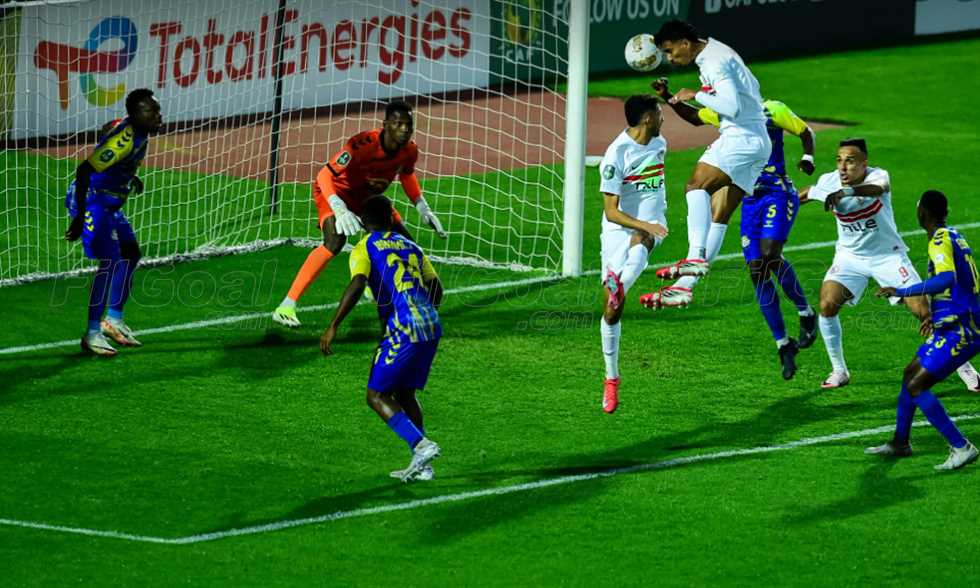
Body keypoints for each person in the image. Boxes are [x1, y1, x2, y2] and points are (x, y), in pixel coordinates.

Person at [641, 81, 817, 379]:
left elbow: (805, 131)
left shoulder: (771, 109)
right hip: (750, 198)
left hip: (777, 192)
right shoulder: (726, 112)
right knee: (757, 270)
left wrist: (807, 157)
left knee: (770, 255)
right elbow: (695, 117)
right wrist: (669, 97)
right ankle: (783, 343)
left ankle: (806, 313)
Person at [800, 138, 979, 391]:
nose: (843, 167)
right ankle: (839, 370)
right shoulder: (829, 181)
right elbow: (807, 192)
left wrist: (845, 192)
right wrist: (784, 205)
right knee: (827, 305)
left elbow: (878, 188)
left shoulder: (878, 176)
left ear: (864, 164)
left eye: (850, 161)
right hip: (849, 257)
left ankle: (964, 367)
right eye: (839, 161)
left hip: (888, 257)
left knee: (925, 312)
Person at [272, 100, 446, 328]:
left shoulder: (409, 150)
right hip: (336, 193)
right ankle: (286, 305)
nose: (404, 129)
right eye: (398, 124)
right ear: (385, 124)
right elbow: (325, 174)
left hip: (367, 200)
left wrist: (422, 206)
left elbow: (406, 174)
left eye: (408, 125)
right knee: (335, 240)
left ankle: (397, 297)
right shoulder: (361, 145)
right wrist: (338, 206)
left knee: (405, 243)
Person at [645, 20, 772, 307]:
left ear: (685, 43)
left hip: (741, 137)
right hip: (758, 141)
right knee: (718, 217)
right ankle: (683, 288)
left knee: (695, 186)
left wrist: (696, 94)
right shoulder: (717, 53)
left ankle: (695, 257)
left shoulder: (713, 61)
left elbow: (731, 107)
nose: (669, 58)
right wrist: (673, 96)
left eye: (670, 51)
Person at [320, 195, 443, 482]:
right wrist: (422, 312)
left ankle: (421, 445)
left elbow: (358, 283)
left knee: (376, 395)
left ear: (364, 222)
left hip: (403, 326)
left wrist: (333, 325)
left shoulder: (365, 246)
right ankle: (423, 466)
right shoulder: (412, 246)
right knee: (405, 393)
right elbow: (437, 289)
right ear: (391, 220)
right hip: (431, 325)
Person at [866, 190, 979, 470]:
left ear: (923, 212)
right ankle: (900, 443)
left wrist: (903, 290)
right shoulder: (952, 235)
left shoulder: (939, 241)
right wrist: (937, 315)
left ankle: (961, 447)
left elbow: (946, 279)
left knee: (918, 385)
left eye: (918, 207)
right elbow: (961, 284)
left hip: (963, 328)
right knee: (910, 374)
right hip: (952, 322)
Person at [65, 88, 163, 356]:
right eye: (152, 111)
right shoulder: (124, 140)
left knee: (131, 253)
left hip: (109, 202)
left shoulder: (138, 130)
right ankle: (92, 333)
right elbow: (85, 170)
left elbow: (110, 134)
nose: (158, 116)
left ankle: (114, 320)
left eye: (158, 110)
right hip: (92, 200)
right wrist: (78, 218)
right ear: (136, 114)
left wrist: (128, 176)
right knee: (109, 261)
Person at [598, 95, 670, 413]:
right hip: (618, 230)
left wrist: (649, 225)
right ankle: (611, 378)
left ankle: (620, 285)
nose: (663, 119)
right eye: (659, 113)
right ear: (647, 119)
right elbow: (611, 212)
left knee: (643, 241)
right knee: (612, 312)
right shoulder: (616, 154)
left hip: (651, 225)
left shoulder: (660, 143)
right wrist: (644, 223)